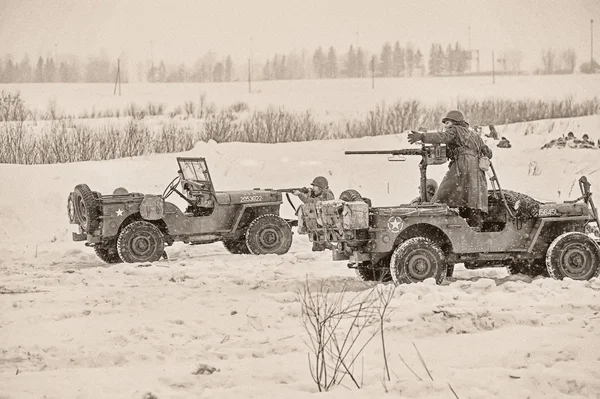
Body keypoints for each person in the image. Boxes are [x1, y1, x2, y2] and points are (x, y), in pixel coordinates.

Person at [408, 110, 493, 231]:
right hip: (477, 171)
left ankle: (435, 220)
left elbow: (443, 137)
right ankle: (475, 226)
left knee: (444, 193)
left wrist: (422, 136)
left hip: (463, 166)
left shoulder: (455, 130)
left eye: (447, 123)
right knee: (473, 198)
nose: (446, 126)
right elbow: (488, 153)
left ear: (455, 122)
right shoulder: (475, 136)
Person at [294, 176, 335, 251]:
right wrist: (306, 191)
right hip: (319, 226)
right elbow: (313, 195)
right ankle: (319, 244)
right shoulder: (321, 192)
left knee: (305, 208)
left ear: (320, 187)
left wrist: (300, 194)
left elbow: (312, 202)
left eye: (315, 186)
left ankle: (324, 245)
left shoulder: (327, 195)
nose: (313, 188)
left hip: (325, 224)